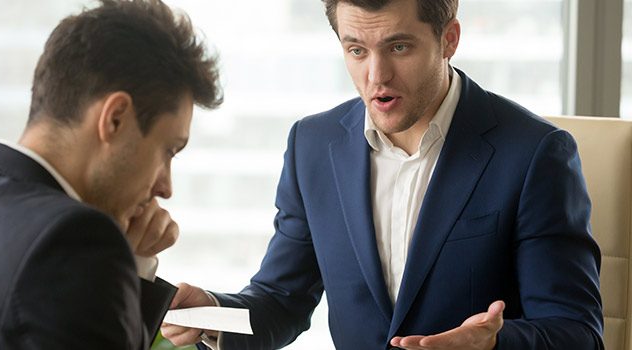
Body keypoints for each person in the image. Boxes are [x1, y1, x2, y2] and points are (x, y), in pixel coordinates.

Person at [161, 0, 603, 349]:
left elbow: (577, 332)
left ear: (449, 39)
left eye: (399, 47)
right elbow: (282, 300)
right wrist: (214, 311)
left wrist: (492, 344)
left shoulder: (535, 154)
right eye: (356, 50)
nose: (376, 76)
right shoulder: (312, 145)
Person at [0, 0, 222, 349]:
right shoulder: (73, 242)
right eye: (168, 151)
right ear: (115, 118)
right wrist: (129, 269)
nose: (165, 187)